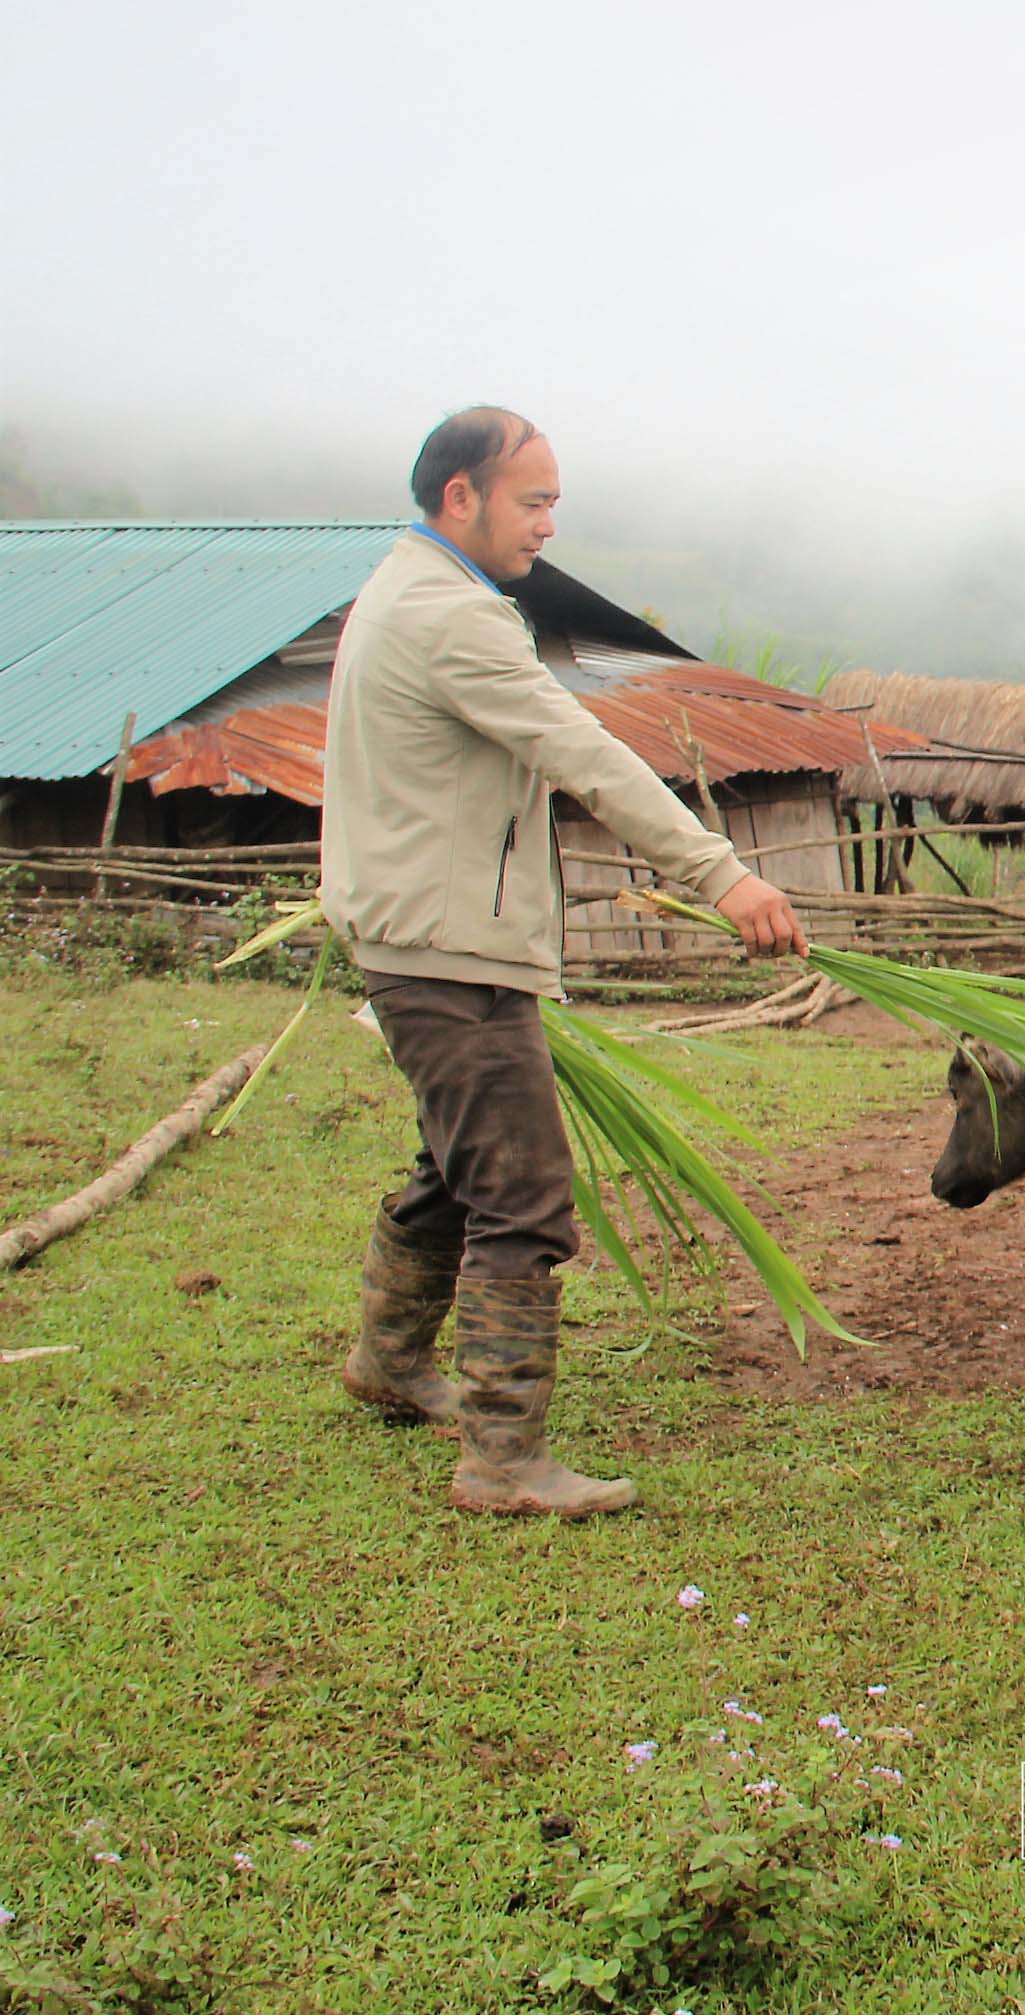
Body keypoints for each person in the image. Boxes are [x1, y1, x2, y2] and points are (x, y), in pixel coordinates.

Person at [319, 407, 808, 1516]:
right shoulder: (451, 617)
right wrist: (721, 874)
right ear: (461, 497)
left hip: (425, 933)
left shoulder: (398, 592)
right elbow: (582, 751)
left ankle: (389, 1361)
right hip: (447, 947)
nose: (549, 523)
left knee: (462, 1163)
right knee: (525, 1195)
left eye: (553, 501)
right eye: (532, 500)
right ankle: (502, 1458)